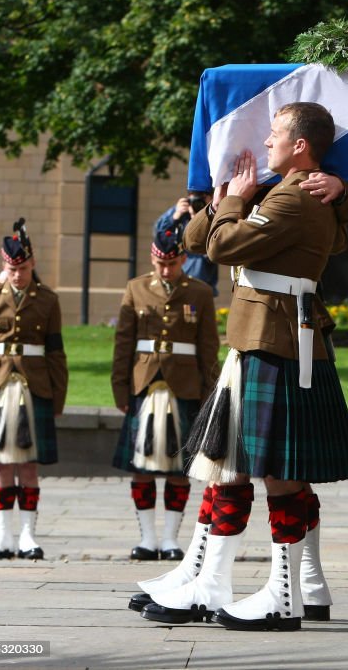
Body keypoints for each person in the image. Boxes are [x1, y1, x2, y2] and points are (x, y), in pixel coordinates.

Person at [139, 101, 348, 632]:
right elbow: (198, 238)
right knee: (235, 465)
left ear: (301, 145)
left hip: (276, 337)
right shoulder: (280, 191)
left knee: (275, 474)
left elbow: (224, 245)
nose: (265, 143)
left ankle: (280, 594)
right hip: (259, 337)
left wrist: (236, 203)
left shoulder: (295, 197)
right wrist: (225, 200)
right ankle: (241, 582)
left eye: (274, 135)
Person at [110, 224, 220, 563]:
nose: (165, 270)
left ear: (183, 259)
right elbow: (123, 343)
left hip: (184, 385)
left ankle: (171, 539)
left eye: (171, 263)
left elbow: (208, 348)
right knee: (141, 464)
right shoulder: (136, 288)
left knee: (180, 466)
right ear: (152, 259)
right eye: (160, 263)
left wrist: (208, 393)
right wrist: (121, 387)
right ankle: (147, 538)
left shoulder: (199, 292)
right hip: (144, 382)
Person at [0, 219, 68, 561]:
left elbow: (56, 351)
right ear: (3, 265)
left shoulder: (48, 300)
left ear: (32, 264)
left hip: (34, 386)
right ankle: (1, 536)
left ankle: (27, 535)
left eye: (22, 268)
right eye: (11, 268)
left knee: (28, 466)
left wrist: (58, 397)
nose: (17, 275)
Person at [154, 193, 219, 294]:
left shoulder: (216, 214)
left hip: (201, 284)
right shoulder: (179, 214)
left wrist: (200, 217)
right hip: (175, 284)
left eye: (202, 197)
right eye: (194, 197)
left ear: (211, 197)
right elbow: (160, 237)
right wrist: (175, 217)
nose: (198, 202)